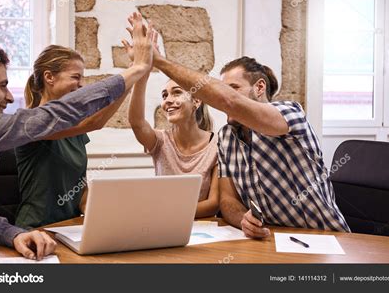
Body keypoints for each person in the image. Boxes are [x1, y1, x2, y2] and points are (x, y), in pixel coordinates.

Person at [0, 13, 154, 257]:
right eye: (2, 86)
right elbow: (60, 114)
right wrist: (137, 69)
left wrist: (13, 234)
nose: (10, 97)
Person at [127, 13, 349, 238]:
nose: (226, 98)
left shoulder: (290, 115)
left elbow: (228, 101)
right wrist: (243, 218)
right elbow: (227, 200)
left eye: (234, 87)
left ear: (259, 88)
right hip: (270, 240)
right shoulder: (226, 138)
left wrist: (159, 61)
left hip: (326, 238)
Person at [15, 45, 128, 229]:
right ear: (49, 77)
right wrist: (136, 71)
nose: (81, 84)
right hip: (35, 228)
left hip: (70, 226)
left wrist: (101, 216)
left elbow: (81, 190)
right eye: (75, 77)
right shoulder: (31, 121)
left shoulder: (76, 131)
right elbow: (94, 123)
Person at [126, 28, 219, 217]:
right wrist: (141, 71)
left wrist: (168, 211)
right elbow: (136, 122)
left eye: (176, 92)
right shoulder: (160, 141)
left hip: (204, 231)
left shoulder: (217, 145)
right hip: (163, 225)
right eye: (164, 95)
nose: (167, 100)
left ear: (196, 101)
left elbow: (214, 204)